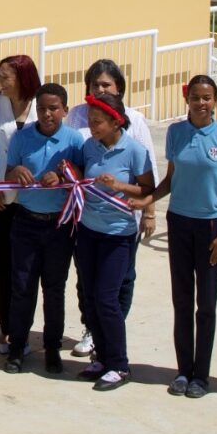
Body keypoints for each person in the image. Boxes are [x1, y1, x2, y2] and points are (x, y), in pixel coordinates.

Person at [129, 75, 217, 399]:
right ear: (187, 100)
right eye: (195, 97)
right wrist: (147, 201)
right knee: (181, 301)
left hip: (211, 228)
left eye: (207, 97)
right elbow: (170, 180)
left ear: (215, 100)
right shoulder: (177, 133)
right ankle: (182, 371)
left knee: (205, 305)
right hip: (179, 224)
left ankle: (201, 376)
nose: (201, 103)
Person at [64, 59, 159, 357]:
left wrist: (149, 211)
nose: (100, 89)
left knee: (119, 283)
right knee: (88, 284)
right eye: (95, 85)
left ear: (119, 88)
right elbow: (75, 161)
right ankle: (95, 331)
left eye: (106, 85)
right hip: (87, 220)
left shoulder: (135, 124)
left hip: (120, 224)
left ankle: (113, 340)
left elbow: (147, 174)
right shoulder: (79, 121)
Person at [74, 93, 154, 391]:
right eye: (90, 121)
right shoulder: (89, 146)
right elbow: (82, 175)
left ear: (115, 121)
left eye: (97, 122)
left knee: (108, 298)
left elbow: (147, 190)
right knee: (91, 297)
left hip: (118, 234)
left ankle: (119, 364)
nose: (92, 126)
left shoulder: (135, 150)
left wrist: (120, 186)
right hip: (88, 229)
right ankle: (101, 358)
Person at [3, 83, 84, 375]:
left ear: (64, 109)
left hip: (59, 226)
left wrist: (65, 173)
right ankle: (17, 347)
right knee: (22, 287)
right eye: (41, 108)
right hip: (25, 221)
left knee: (54, 288)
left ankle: (52, 348)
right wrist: (15, 172)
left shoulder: (75, 141)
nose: (47, 114)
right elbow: (7, 172)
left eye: (53, 108)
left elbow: (83, 177)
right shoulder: (21, 138)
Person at [0, 54, 41, 355]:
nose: (0, 81)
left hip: (35, 201)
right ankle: (8, 330)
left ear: (23, 77)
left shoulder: (43, 104)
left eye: (6, 76)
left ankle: (25, 329)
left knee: (28, 269)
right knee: (3, 264)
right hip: (0, 199)